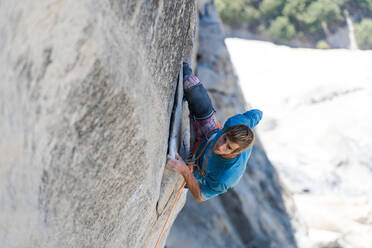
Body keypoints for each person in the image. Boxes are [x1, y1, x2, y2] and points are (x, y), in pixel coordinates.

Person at [166, 63, 262, 202]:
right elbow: (256, 115)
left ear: (236, 153)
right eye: (224, 139)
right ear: (226, 131)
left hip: (196, 168)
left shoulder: (227, 176)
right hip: (208, 134)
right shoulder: (235, 124)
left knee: (172, 170)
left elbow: (200, 196)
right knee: (191, 84)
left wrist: (184, 171)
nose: (221, 145)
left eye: (228, 147)